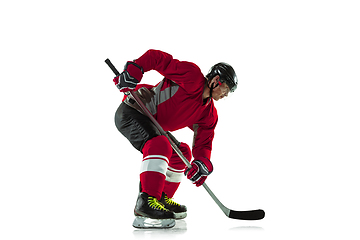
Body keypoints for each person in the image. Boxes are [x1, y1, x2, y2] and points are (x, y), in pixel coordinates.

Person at [113, 49, 238, 222]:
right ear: (217, 81)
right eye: (227, 88)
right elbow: (158, 59)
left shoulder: (208, 114)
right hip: (134, 110)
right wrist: (135, 69)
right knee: (161, 145)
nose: (226, 94)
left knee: (182, 155)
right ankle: (146, 202)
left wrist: (202, 163)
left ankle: (159, 199)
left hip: (153, 125)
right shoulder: (192, 76)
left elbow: (204, 142)